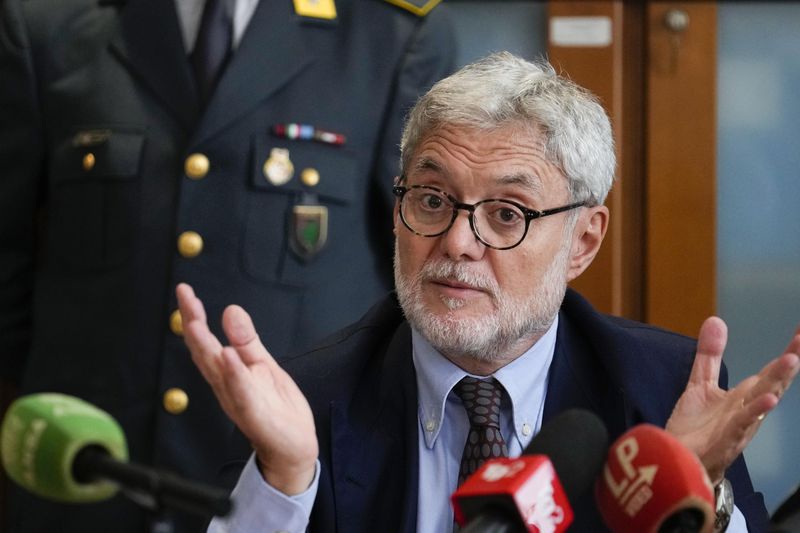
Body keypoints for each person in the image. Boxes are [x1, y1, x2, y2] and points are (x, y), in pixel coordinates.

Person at [177, 52, 800, 532]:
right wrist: (283, 480)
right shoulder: (310, 400)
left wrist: (697, 500)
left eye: (507, 213)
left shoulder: (658, 393)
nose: (457, 241)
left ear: (582, 241)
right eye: (431, 199)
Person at [0, 0, 455, 531]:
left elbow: (428, 271)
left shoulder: (392, 32)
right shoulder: (48, 23)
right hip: (87, 474)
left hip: (296, 487)